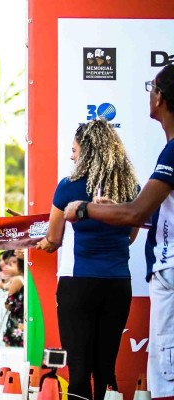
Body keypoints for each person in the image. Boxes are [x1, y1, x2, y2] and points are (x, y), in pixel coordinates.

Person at [63, 65, 174, 400]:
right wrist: (116, 212)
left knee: (165, 372)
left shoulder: (171, 151)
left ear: (161, 98)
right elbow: (143, 220)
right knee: (109, 370)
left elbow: (136, 212)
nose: (149, 95)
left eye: (151, 88)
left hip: (165, 270)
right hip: (123, 282)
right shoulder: (148, 167)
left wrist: (84, 209)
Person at [36, 117, 140, 400]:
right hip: (118, 284)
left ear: (87, 151)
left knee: (79, 370)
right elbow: (130, 236)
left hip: (77, 286)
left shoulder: (69, 186)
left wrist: (39, 243)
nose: (71, 155)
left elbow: (53, 239)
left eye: (74, 149)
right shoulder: (130, 188)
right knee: (106, 368)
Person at [2, 250, 24, 348]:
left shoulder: (18, 280)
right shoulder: (30, 278)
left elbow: (9, 303)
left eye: (14, 262)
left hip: (17, 324)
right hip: (28, 322)